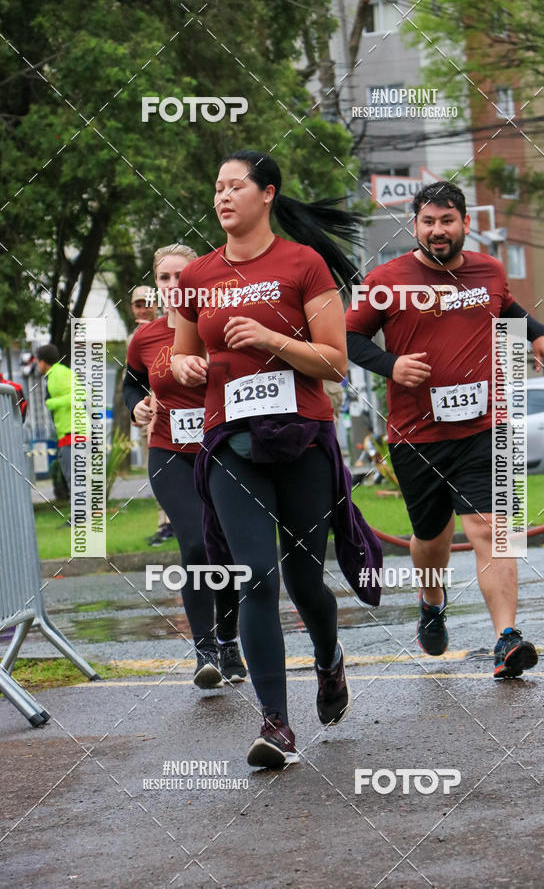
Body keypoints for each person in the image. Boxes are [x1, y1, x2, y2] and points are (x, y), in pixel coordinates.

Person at [171, 151, 382, 769]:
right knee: (255, 576)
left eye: (235, 185)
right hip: (233, 444)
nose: (222, 196)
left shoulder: (302, 263)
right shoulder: (198, 275)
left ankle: (329, 660)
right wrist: (182, 368)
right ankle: (276, 725)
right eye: (217, 187)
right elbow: (184, 360)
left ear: (267, 194)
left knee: (303, 579)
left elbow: (336, 362)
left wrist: (269, 340)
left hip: (301, 440)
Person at [346, 181, 544, 680]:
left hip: (485, 427)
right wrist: (392, 364)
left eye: (447, 221)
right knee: (431, 538)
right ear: (415, 225)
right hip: (416, 434)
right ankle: (431, 597)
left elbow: (503, 308)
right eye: (428, 222)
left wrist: (541, 334)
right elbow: (349, 336)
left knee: (492, 529)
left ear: (465, 222)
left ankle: (506, 639)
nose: (437, 231)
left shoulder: (488, 271)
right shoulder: (387, 278)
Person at [123, 244, 245, 688]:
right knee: (195, 546)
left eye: (181, 276)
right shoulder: (145, 337)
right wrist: (136, 406)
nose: (173, 286)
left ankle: (230, 641)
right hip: (170, 453)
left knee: (225, 550)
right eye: (164, 278)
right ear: (156, 285)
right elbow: (132, 384)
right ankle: (205, 650)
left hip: (222, 450)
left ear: (198, 278)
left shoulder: (221, 326)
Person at [126, 285, 173, 544]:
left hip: (183, 410)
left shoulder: (175, 326)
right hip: (152, 414)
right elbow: (132, 381)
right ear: (132, 308)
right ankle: (165, 524)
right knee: (156, 472)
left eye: (148, 303)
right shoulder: (134, 338)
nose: (144, 308)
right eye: (138, 304)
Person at [35, 345, 79, 494]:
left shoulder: (59, 374)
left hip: (73, 431)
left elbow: (79, 396)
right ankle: (79, 515)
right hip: (67, 432)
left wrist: (51, 403)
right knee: (72, 477)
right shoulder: (56, 374)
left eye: (37, 361)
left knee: (73, 478)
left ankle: (80, 516)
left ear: (42, 362)